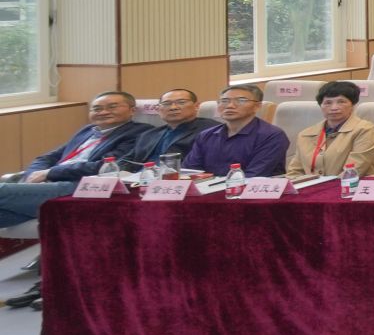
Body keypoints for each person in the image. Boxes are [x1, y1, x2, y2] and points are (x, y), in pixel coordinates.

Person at [0, 91, 149, 230]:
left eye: (112, 107)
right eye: (97, 109)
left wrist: (51, 173)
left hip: (82, 185)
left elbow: (106, 166)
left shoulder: (140, 132)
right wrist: (33, 176)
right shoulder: (88, 131)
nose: (103, 112)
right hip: (48, 183)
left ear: (132, 110)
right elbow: (48, 157)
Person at [184, 85, 288, 177]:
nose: (230, 106)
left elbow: (255, 175)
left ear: (257, 106)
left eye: (241, 100)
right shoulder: (206, 135)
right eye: (224, 101)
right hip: (207, 189)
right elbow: (190, 171)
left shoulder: (272, 135)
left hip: (250, 191)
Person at [285, 81, 374, 177]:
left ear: (352, 105)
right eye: (328, 103)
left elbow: (351, 173)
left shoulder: (364, 130)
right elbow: (294, 172)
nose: (334, 108)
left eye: (341, 102)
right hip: (310, 187)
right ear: (320, 106)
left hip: (350, 186)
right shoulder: (305, 134)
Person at [118, 89, 217, 171]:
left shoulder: (210, 130)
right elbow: (126, 160)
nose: (173, 107)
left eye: (181, 102)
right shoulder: (148, 134)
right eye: (166, 104)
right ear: (158, 109)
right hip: (139, 180)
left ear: (196, 106)